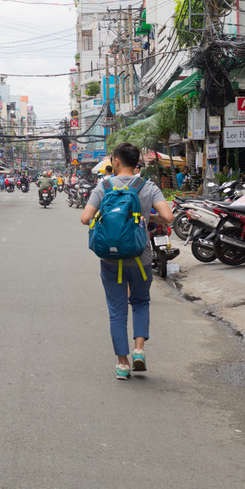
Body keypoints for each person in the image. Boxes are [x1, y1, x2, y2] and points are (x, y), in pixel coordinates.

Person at [80, 142, 173, 380]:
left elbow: (85, 218)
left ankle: (122, 364)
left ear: (116, 161)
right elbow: (168, 217)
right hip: (140, 258)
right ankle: (139, 349)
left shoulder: (104, 186)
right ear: (137, 162)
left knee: (117, 311)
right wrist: (144, 217)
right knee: (141, 302)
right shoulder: (147, 186)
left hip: (111, 260)